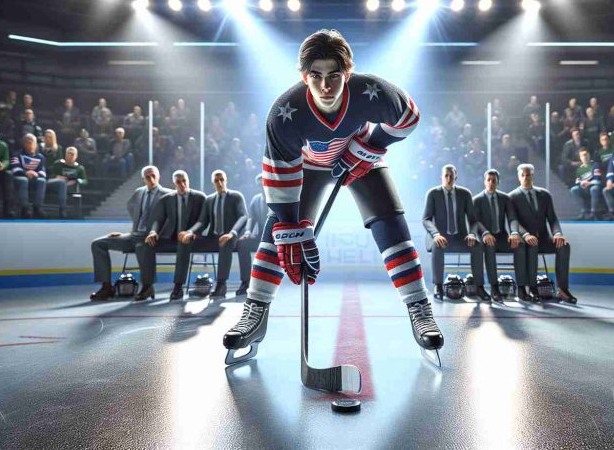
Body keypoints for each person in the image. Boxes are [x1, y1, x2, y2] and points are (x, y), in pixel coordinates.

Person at [223, 29, 443, 359]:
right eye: (316, 76)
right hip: (308, 166)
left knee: (391, 223)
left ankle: (419, 308)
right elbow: (281, 174)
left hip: (360, 159)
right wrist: (289, 229)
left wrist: (369, 147)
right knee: (276, 236)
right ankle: (255, 312)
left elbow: (408, 117)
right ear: (303, 75)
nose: (326, 86)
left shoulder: (371, 91)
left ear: (348, 73)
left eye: (334, 76)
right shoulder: (285, 112)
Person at [89, 165, 171, 301]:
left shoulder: (168, 194)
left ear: (158, 176)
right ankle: (106, 287)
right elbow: (132, 209)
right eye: (147, 177)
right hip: (135, 235)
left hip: (154, 237)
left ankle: (147, 286)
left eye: (153, 176)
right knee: (98, 244)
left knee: (141, 246)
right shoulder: (139, 192)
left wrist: (158, 233)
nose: (151, 179)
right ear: (143, 179)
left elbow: (171, 219)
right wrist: (129, 232)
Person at [508, 164, 577, 304]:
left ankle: (563, 289)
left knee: (564, 246)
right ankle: (532, 288)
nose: (526, 178)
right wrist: (526, 234)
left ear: (533, 176)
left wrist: (557, 233)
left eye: (528, 175)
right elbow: (513, 221)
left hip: (544, 238)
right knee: (532, 244)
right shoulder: (512, 197)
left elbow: (552, 219)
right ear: (518, 177)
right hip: (525, 240)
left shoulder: (544, 195)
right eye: (523, 175)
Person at [180, 170, 249, 299]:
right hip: (213, 237)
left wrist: (232, 233)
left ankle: (221, 285)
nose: (220, 182)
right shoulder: (209, 200)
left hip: (231, 237)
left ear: (226, 180)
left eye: (222, 179)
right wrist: (190, 232)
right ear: (213, 183)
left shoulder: (236, 196)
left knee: (225, 242)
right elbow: (202, 221)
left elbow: (243, 216)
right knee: (186, 242)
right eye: (216, 180)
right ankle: (178, 285)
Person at [140, 170, 206, 301]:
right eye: (178, 182)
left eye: (184, 181)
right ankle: (147, 286)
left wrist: (190, 232)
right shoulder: (167, 199)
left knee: (184, 243)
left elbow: (202, 221)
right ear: (174, 184)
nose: (182, 184)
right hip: (172, 238)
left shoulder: (200, 197)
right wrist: (153, 232)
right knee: (147, 244)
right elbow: (158, 219)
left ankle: (178, 286)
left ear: (188, 181)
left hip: (193, 238)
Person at [422, 165, 481, 300]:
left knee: (477, 245)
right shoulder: (433, 194)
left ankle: (479, 286)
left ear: (456, 177)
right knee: (438, 245)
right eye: (446, 176)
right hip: (440, 237)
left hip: (460, 238)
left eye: (451, 176)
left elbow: (473, 220)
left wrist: (472, 234)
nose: (449, 179)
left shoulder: (465, 194)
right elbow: (426, 219)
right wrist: (436, 234)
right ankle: (438, 285)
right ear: (441, 178)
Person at [472, 169, 524, 302]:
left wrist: (514, 233)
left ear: (498, 182)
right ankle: (494, 287)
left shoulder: (505, 198)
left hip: (502, 236)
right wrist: (485, 233)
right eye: (488, 180)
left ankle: (522, 287)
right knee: (490, 245)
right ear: (484, 182)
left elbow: (512, 218)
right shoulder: (477, 200)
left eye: (494, 180)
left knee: (520, 245)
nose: (491, 183)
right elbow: (476, 221)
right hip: (486, 237)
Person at [237, 174, 270, 296]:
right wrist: (247, 232)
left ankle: (267, 283)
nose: (262, 186)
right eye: (259, 184)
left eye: (264, 183)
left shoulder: (277, 198)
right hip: (261, 237)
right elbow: (251, 219)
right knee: (243, 244)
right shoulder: (256, 200)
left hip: (276, 238)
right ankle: (245, 282)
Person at [10, 133, 47, 219]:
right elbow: (14, 168)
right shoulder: (17, 154)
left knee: (42, 181)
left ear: (36, 144)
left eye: (32, 141)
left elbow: (43, 172)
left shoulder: (41, 157)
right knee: (24, 180)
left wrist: (36, 174)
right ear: (23, 143)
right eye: (27, 141)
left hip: (34, 178)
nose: (30, 143)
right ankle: (25, 208)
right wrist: (26, 172)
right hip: (20, 177)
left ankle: (37, 207)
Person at [48, 146, 88, 219]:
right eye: (69, 154)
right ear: (65, 154)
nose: (70, 156)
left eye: (72, 154)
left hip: (71, 187)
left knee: (66, 185)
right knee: (62, 183)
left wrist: (77, 180)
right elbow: (50, 176)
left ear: (76, 156)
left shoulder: (80, 168)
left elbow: (85, 181)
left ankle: (63, 210)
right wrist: (57, 177)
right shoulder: (58, 164)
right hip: (56, 186)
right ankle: (62, 210)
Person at [569, 148, 602, 220]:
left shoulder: (595, 165)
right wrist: (581, 183)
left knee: (594, 189)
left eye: (586, 155)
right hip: (583, 187)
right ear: (580, 158)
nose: (585, 157)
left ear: (589, 155)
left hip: (593, 186)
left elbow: (598, 179)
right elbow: (577, 181)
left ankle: (593, 212)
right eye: (583, 156)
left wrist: (588, 183)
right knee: (573, 190)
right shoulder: (579, 169)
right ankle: (583, 211)